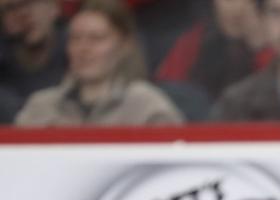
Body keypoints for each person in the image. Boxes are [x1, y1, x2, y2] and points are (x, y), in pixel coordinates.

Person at [15, 0, 182, 126]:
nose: (83, 49)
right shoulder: (40, 108)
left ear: (124, 45)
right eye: (76, 38)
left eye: (96, 38)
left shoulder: (148, 107)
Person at [155, 0, 269, 101]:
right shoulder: (195, 40)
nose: (239, 9)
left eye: (250, 1)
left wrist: (259, 46)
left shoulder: (272, 45)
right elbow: (167, 89)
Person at [0, 0, 67, 107]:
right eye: (11, 7)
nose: (23, 13)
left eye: (31, 2)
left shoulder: (74, 46)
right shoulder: (4, 53)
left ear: (54, 8)